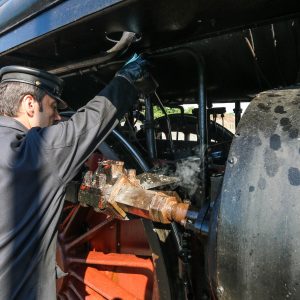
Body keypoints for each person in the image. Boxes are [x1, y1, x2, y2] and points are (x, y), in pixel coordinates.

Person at [0, 56, 154, 299]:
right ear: (30, 104)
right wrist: (128, 78)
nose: (58, 117)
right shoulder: (32, 154)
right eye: (52, 107)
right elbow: (89, 123)